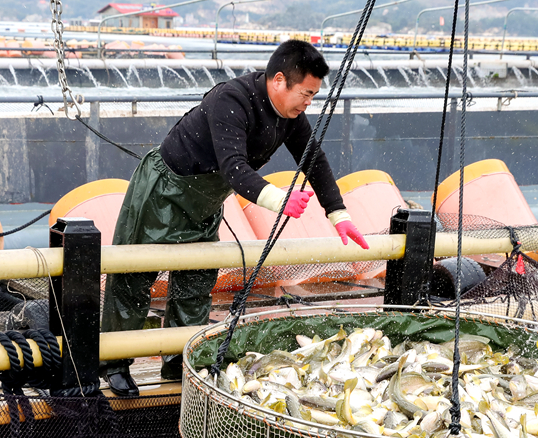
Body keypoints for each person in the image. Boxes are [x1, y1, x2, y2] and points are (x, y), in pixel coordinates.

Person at [99, 40, 369, 397]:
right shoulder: (231, 100)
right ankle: (114, 365)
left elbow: (314, 161)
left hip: (204, 202)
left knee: (195, 285)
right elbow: (233, 167)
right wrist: (279, 199)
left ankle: (179, 363)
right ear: (278, 81)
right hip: (164, 190)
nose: (309, 103)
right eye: (306, 93)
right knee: (133, 278)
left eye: (313, 96)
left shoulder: (289, 117)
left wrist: (338, 214)